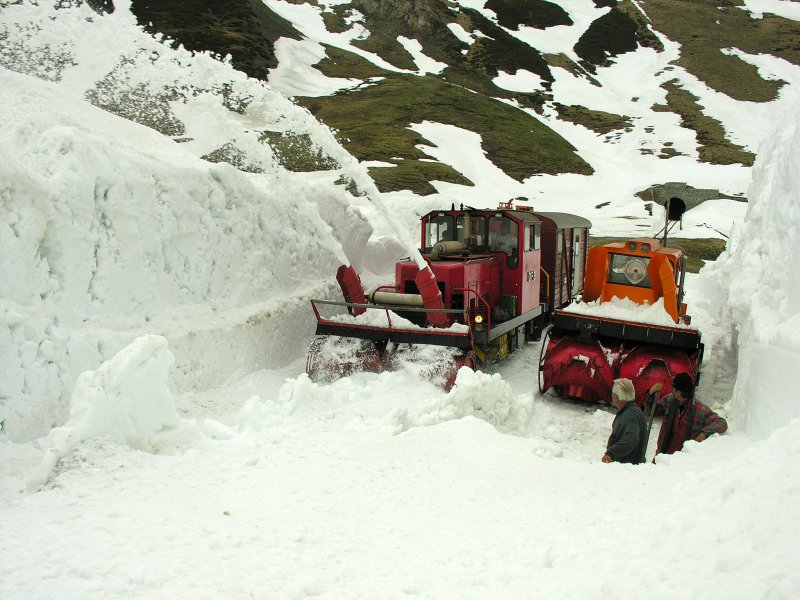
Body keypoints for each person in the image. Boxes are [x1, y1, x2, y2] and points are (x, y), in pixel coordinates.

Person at [647, 372, 727, 456]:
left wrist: (704, 433)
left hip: (682, 462)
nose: (671, 390)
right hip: (662, 456)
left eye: (672, 388)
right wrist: (651, 394)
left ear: (679, 392)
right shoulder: (670, 400)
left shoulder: (700, 410)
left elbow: (721, 423)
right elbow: (652, 411)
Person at [602, 378, 647, 464]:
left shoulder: (630, 415)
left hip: (626, 468)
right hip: (628, 466)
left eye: (613, 394)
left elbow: (632, 438)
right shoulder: (632, 410)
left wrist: (611, 453)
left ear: (617, 397)